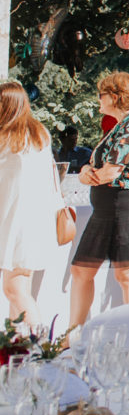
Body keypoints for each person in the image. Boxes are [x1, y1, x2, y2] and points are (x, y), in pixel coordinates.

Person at [70, 72, 129, 329]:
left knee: (127, 274)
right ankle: (74, 332)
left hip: (127, 206)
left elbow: (110, 171)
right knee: (81, 270)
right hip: (107, 207)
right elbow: (94, 166)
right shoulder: (121, 124)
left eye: (101, 94)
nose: (98, 99)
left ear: (114, 96)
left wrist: (88, 177)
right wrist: (90, 173)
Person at [0, 87, 60, 319]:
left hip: (16, 223)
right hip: (36, 220)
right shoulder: (38, 133)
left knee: (13, 289)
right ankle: (23, 345)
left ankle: (40, 341)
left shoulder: (8, 140)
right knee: (20, 288)